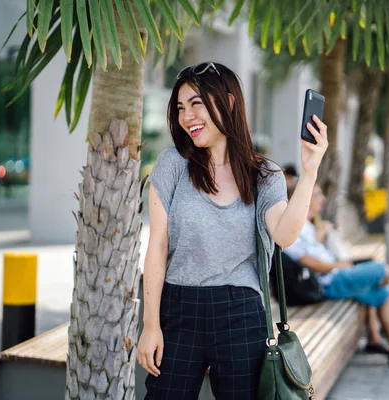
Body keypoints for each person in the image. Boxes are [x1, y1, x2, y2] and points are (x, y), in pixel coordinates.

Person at [136, 61, 328, 399]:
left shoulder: (264, 174)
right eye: (180, 107)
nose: (187, 116)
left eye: (197, 104)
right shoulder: (172, 165)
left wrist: (310, 171)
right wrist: (150, 325)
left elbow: (284, 235)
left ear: (230, 102)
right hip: (179, 309)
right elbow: (157, 248)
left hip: (241, 313)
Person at [284, 184, 389, 367]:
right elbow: (314, 264)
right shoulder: (288, 231)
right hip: (328, 282)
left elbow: (315, 251)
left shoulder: (305, 225)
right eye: (316, 194)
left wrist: (321, 234)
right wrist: (345, 264)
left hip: (338, 274)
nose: (321, 199)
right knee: (383, 270)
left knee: (383, 292)